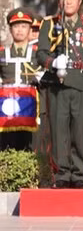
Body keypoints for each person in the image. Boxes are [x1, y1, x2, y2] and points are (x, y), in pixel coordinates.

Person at [36, 0, 83, 188]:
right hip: (58, 84)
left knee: (79, 131)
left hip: (82, 83)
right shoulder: (50, 23)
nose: (68, 2)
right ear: (59, 1)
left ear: (80, 0)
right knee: (59, 131)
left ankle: (79, 174)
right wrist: (53, 61)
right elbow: (40, 54)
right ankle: (62, 174)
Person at [0, 8, 41, 151]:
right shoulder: (2, 53)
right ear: (10, 29)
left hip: (31, 109)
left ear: (30, 30)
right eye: (16, 26)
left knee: (29, 148)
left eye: (24, 26)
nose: (20, 30)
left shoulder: (38, 54)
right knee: (5, 147)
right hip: (5, 111)